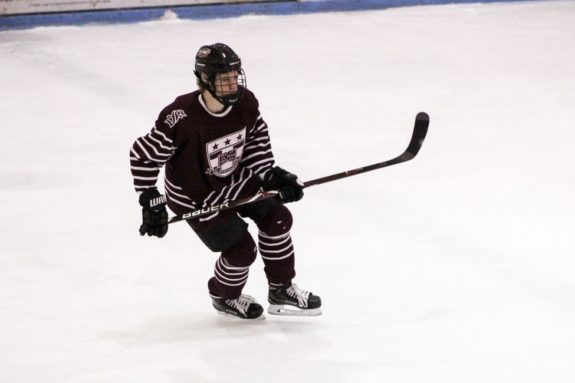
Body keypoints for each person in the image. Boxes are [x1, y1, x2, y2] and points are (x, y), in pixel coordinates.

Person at [129, 43, 321, 319]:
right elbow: (143, 156)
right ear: (205, 80)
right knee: (241, 250)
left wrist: (270, 174)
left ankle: (281, 290)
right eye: (224, 78)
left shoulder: (245, 101)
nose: (233, 83)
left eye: (235, 75)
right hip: (196, 195)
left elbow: (255, 138)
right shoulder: (179, 116)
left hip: (236, 180)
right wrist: (152, 200)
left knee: (278, 218)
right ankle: (224, 296)